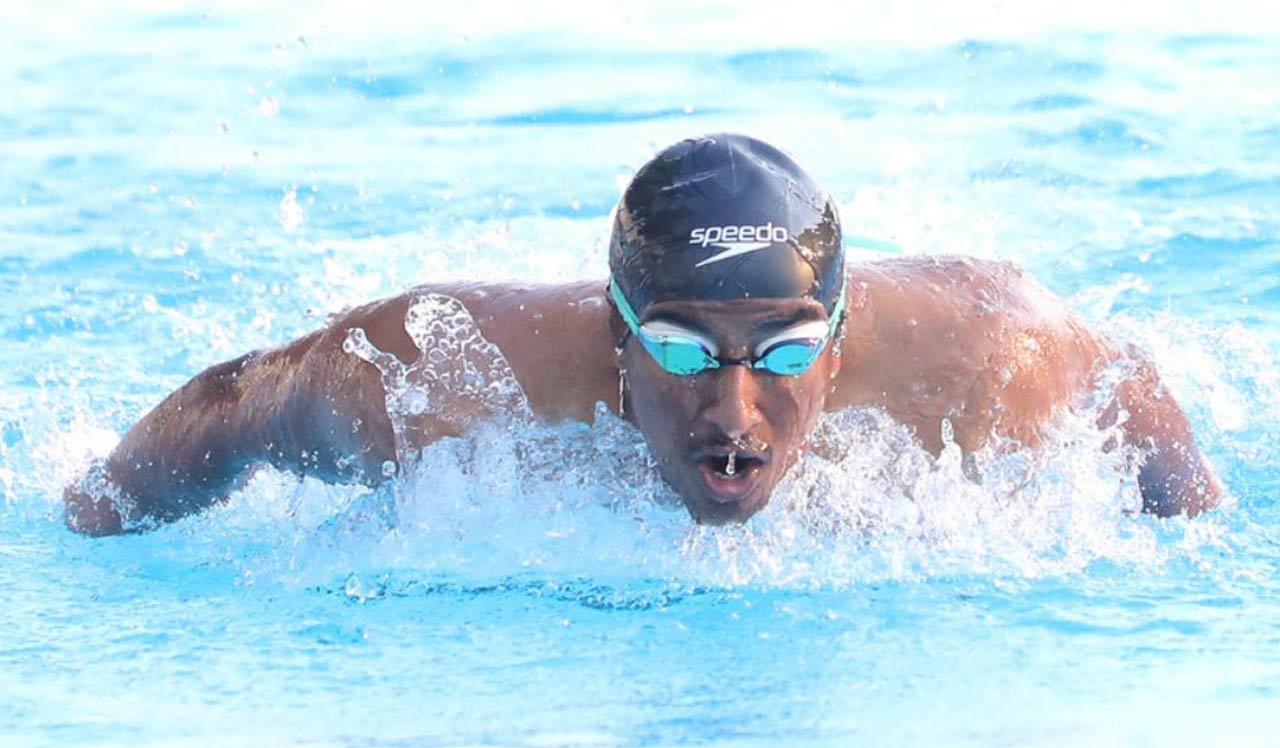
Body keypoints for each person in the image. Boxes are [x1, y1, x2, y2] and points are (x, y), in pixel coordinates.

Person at [63, 133, 1222, 535]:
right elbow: (247, 400)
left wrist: (1189, 514)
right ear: (614, 338)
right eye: (678, 347)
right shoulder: (442, 376)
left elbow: (1122, 380)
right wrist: (97, 512)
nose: (731, 410)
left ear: (837, 337)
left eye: (779, 354)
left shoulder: (977, 358)